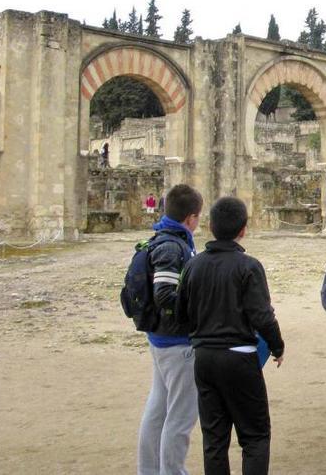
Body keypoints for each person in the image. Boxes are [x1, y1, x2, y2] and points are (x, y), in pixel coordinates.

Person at [176, 196, 285, 475]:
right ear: (243, 229)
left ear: (210, 226)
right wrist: (277, 346)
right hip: (239, 358)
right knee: (255, 435)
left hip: (205, 358)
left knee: (214, 438)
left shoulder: (193, 265)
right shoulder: (248, 266)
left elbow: (181, 313)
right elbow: (262, 315)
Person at [136, 184, 203, 475]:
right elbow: (165, 294)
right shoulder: (172, 245)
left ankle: (149, 470)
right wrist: (195, 317)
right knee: (180, 417)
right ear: (190, 218)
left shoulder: (163, 238)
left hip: (160, 341)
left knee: (158, 409)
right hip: (177, 344)